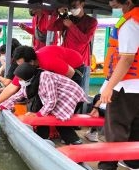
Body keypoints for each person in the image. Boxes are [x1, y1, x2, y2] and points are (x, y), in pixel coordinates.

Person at [0, 63, 87, 144]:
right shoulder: (29, 80)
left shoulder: (46, 77)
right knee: (48, 114)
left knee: (58, 118)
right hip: (60, 97)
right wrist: (2, 106)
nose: (19, 81)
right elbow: (18, 95)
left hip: (71, 95)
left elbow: (52, 100)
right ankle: (44, 138)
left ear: (27, 76)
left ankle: (74, 141)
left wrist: (37, 115)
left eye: (20, 79)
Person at [0, 45, 84, 118]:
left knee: (62, 101)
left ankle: (66, 122)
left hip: (74, 68)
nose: (21, 68)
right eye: (19, 65)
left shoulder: (48, 61)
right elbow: (12, 87)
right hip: (55, 70)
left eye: (22, 65)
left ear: (31, 62)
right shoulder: (27, 66)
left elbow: (70, 74)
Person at [98, 0, 139, 169]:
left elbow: (127, 59)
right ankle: (133, 161)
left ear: (128, 2)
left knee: (115, 127)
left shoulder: (130, 24)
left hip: (126, 86)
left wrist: (109, 87)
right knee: (136, 126)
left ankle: (108, 166)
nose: (110, 2)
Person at [48, 0, 98, 93]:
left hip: (80, 62)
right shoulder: (68, 18)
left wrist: (71, 26)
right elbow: (50, 27)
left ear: (82, 3)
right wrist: (56, 12)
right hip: (66, 60)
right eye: (71, 7)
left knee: (77, 91)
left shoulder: (91, 21)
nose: (73, 8)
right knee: (63, 90)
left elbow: (85, 40)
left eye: (75, 5)